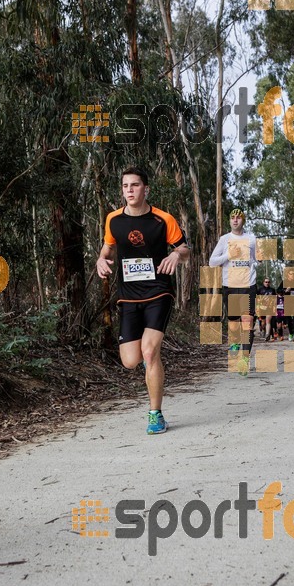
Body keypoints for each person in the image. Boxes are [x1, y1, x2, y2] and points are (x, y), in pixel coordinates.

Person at [96, 167, 190, 435]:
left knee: (149, 352)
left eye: (135, 185)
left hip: (159, 291)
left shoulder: (162, 220)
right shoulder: (113, 220)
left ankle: (155, 414)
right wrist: (101, 260)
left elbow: (184, 249)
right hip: (128, 296)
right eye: (126, 186)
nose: (130, 190)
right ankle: (153, 362)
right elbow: (107, 248)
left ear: (145, 189)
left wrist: (176, 256)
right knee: (130, 360)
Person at [209, 208, 256, 375]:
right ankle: (235, 341)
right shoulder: (224, 240)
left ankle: (244, 359)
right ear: (230, 221)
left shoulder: (252, 239)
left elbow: (258, 258)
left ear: (243, 220)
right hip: (230, 285)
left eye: (238, 218)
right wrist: (228, 255)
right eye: (232, 218)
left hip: (248, 285)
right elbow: (212, 262)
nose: (235, 220)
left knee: (247, 321)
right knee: (234, 323)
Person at [277, 268, 294, 341]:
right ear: (288, 275)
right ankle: (291, 334)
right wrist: (285, 290)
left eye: (293, 274)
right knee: (289, 319)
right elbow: (278, 290)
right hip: (287, 303)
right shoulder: (284, 282)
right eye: (290, 274)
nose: (292, 275)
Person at [257, 277, 277, 342]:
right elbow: (257, 299)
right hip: (262, 308)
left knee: (268, 321)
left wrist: (274, 307)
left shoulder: (272, 290)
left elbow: (275, 299)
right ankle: (263, 330)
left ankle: (267, 335)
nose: (267, 283)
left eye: (268, 282)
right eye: (266, 282)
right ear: (263, 282)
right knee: (263, 323)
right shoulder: (260, 290)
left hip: (269, 308)